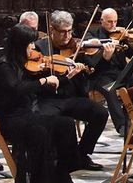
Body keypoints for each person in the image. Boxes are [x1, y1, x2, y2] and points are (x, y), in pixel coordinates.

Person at [0, 24, 82, 183]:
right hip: (10, 119)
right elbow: (16, 89)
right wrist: (42, 81)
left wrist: (66, 78)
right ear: (20, 45)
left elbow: (41, 86)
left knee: (66, 124)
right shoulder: (3, 66)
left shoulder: (23, 64)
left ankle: (61, 172)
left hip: (26, 114)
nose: (33, 47)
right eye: (30, 44)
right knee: (39, 130)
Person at [34, 11, 108, 171]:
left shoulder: (77, 47)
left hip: (72, 97)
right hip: (49, 99)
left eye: (70, 31)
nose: (67, 36)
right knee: (50, 119)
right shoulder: (40, 48)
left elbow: (92, 71)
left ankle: (81, 155)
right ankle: (53, 161)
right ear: (52, 30)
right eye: (62, 32)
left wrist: (97, 62)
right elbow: (35, 77)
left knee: (101, 114)